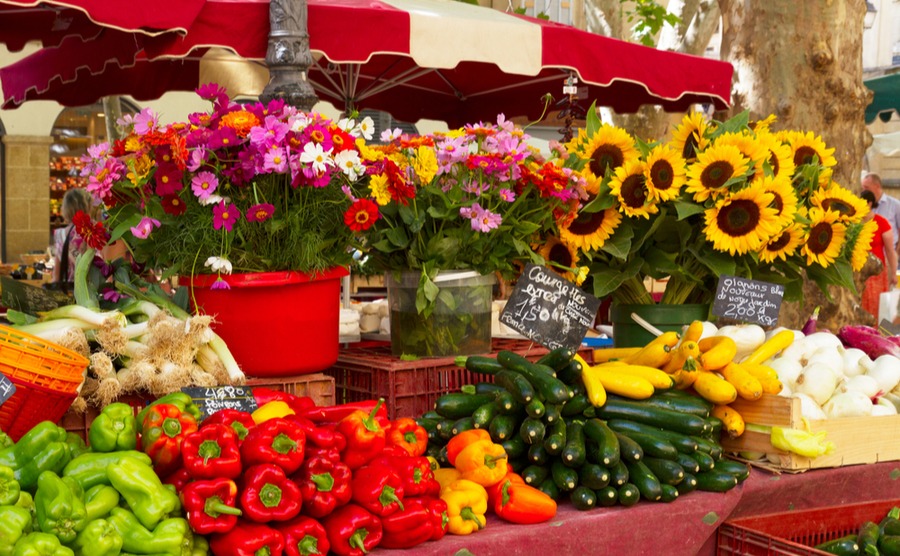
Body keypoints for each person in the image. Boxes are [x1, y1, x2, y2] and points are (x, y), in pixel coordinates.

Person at [860, 190, 897, 321]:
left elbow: (890, 251)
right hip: (858, 271)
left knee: (879, 307)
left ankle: (882, 335)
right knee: (860, 306)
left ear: (869, 203)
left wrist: (893, 273)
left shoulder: (881, 222)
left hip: (877, 274)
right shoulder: (855, 222)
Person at [51, 188, 93, 283]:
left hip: (70, 291)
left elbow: (56, 276)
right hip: (93, 293)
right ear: (87, 207)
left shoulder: (60, 234)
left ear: (66, 209)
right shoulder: (95, 231)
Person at [862, 173, 900, 251]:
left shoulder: (895, 205)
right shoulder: (862, 205)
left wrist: (896, 254)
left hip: (888, 256)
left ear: (877, 186)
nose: (864, 191)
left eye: (866, 187)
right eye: (863, 188)